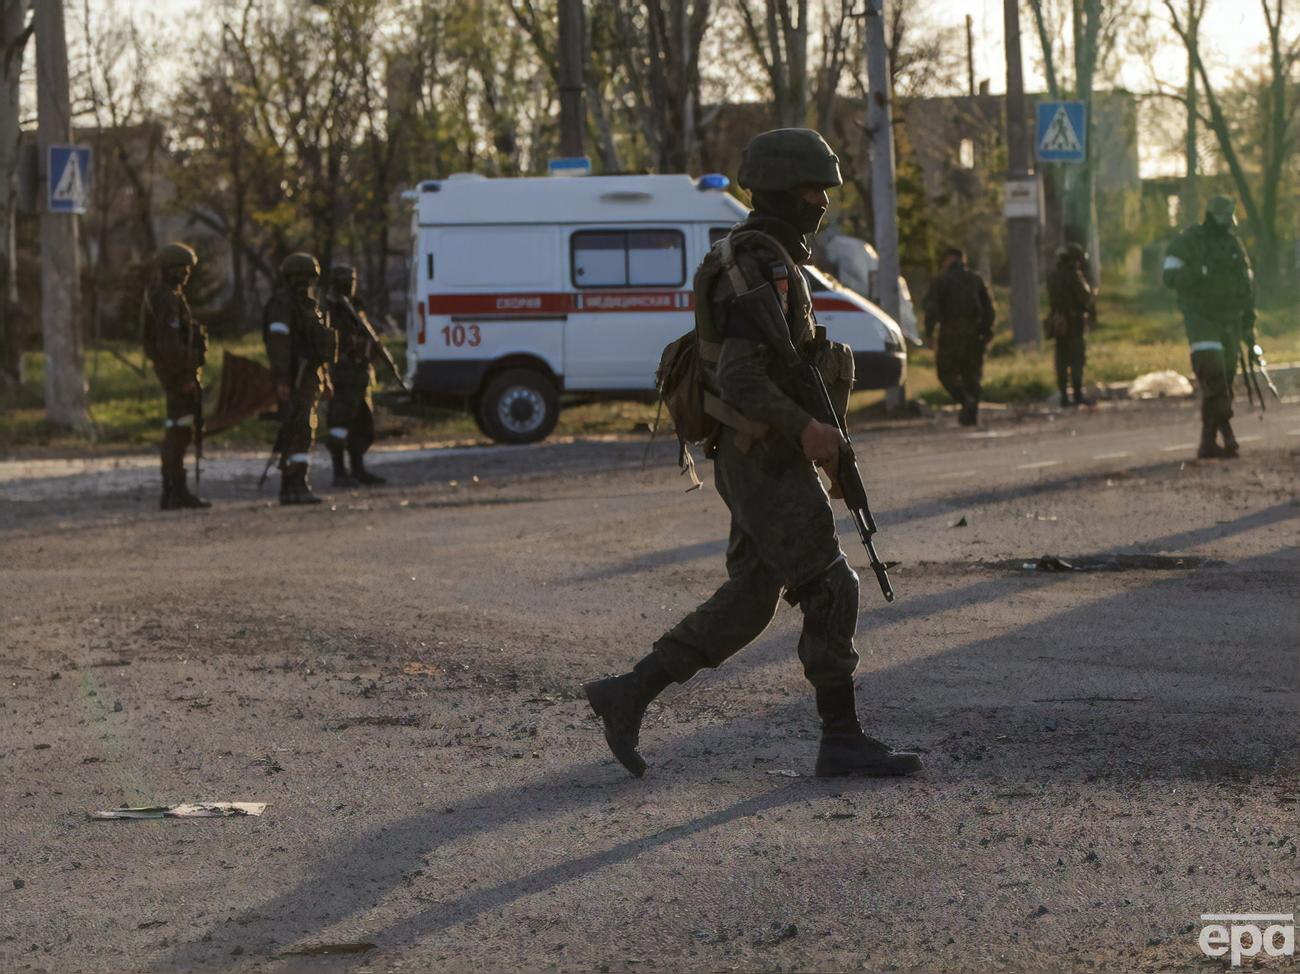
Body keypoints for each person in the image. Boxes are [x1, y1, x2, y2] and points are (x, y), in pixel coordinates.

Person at [582, 128, 921, 780]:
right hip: (761, 454)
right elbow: (740, 375)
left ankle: (628, 694)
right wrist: (805, 431)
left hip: (753, 453)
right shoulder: (758, 266)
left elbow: (780, 369)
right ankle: (841, 738)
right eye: (813, 190)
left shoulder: (758, 259)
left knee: (751, 597)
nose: (822, 203)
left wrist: (820, 445)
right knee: (830, 585)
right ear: (785, 193)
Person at [1163, 195, 1257, 459]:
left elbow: (1247, 285)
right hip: (1201, 319)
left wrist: (1249, 324)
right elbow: (1169, 275)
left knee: (1224, 381)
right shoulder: (1190, 241)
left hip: (1231, 321)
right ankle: (1227, 433)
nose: (1227, 220)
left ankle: (1208, 443)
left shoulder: (1234, 245)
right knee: (1214, 374)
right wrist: (1200, 274)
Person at [262, 252, 337, 504]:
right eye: (300, 277)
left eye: (309, 277)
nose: (305, 282)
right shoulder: (282, 305)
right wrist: (281, 378)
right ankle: (291, 485)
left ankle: (299, 483)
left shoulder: (312, 306)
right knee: (296, 428)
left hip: (310, 378)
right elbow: (278, 344)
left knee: (305, 428)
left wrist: (325, 378)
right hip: (293, 377)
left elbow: (318, 345)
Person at [141, 242, 209, 511]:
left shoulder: (163, 296)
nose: (188, 274)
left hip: (175, 374)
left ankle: (174, 491)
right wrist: (185, 377)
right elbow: (170, 345)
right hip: (177, 376)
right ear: (175, 269)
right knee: (179, 432)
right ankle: (175, 492)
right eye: (185, 268)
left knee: (179, 429)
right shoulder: (167, 298)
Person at [323, 265, 386, 487]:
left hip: (360, 376)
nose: (350, 284)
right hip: (341, 376)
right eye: (345, 280)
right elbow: (332, 342)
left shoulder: (354, 308)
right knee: (339, 425)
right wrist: (355, 348)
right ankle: (339, 472)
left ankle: (358, 469)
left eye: (352, 280)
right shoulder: (329, 309)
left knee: (363, 425)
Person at [923, 247, 996, 425]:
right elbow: (989, 309)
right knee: (972, 375)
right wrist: (987, 331)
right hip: (974, 334)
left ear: (949, 259)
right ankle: (972, 414)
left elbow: (931, 309)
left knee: (946, 372)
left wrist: (929, 333)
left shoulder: (941, 279)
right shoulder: (976, 279)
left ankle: (965, 401)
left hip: (950, 334)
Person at [1047, 242, 1096, 408]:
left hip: (1058, 322)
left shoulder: (1053, 275)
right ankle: (1077, 394)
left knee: (1061, 360)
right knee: (1076, 359)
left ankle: (1063, 396)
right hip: (1074, 324)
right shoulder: (1074, 275)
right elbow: (1085, 297)